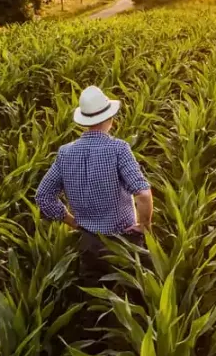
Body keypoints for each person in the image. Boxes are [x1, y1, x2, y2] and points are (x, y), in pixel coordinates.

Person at [36, 85, 153, 281]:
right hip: (124, 241)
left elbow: (43, 196)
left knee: (94, 298)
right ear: (110, 119)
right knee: (137, 296)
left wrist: (73, 222)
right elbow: (143, 194)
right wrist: (145, 224)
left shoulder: (66, 153)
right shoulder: (118, 149)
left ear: (84, 122)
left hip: (89, 243)